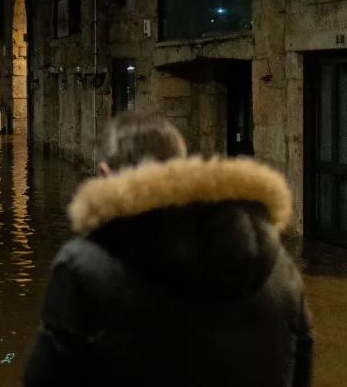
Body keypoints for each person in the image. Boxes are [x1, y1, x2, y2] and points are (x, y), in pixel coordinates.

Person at [23, 111, 312, 387]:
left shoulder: (81, 267)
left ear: (105, 172)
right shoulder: (279, 267)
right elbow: (299, 369)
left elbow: (46, 377)